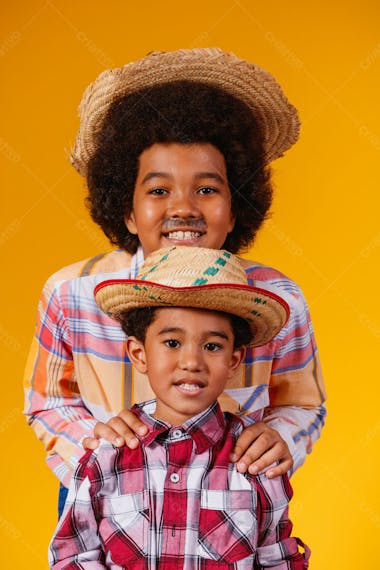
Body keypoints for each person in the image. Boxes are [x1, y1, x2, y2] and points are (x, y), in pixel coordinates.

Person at [23, 48, 326, 510]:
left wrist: (279, 437)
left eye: (207, 189)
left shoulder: (276, 298)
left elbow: (302, 403)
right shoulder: (70, 293)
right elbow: (47, 402)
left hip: (229, 505)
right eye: (159, 190)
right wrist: (93, 444)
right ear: (126, 208)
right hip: (105, 503)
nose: (183, 207)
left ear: (237, 206)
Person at [49, 245, 310, 569]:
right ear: (139, 354)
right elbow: (73, 556)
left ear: (233, 360)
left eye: (212, 346)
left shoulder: (253, 461)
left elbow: (279, 560)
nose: (191, 361)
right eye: (172, 343)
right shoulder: (106, 457)